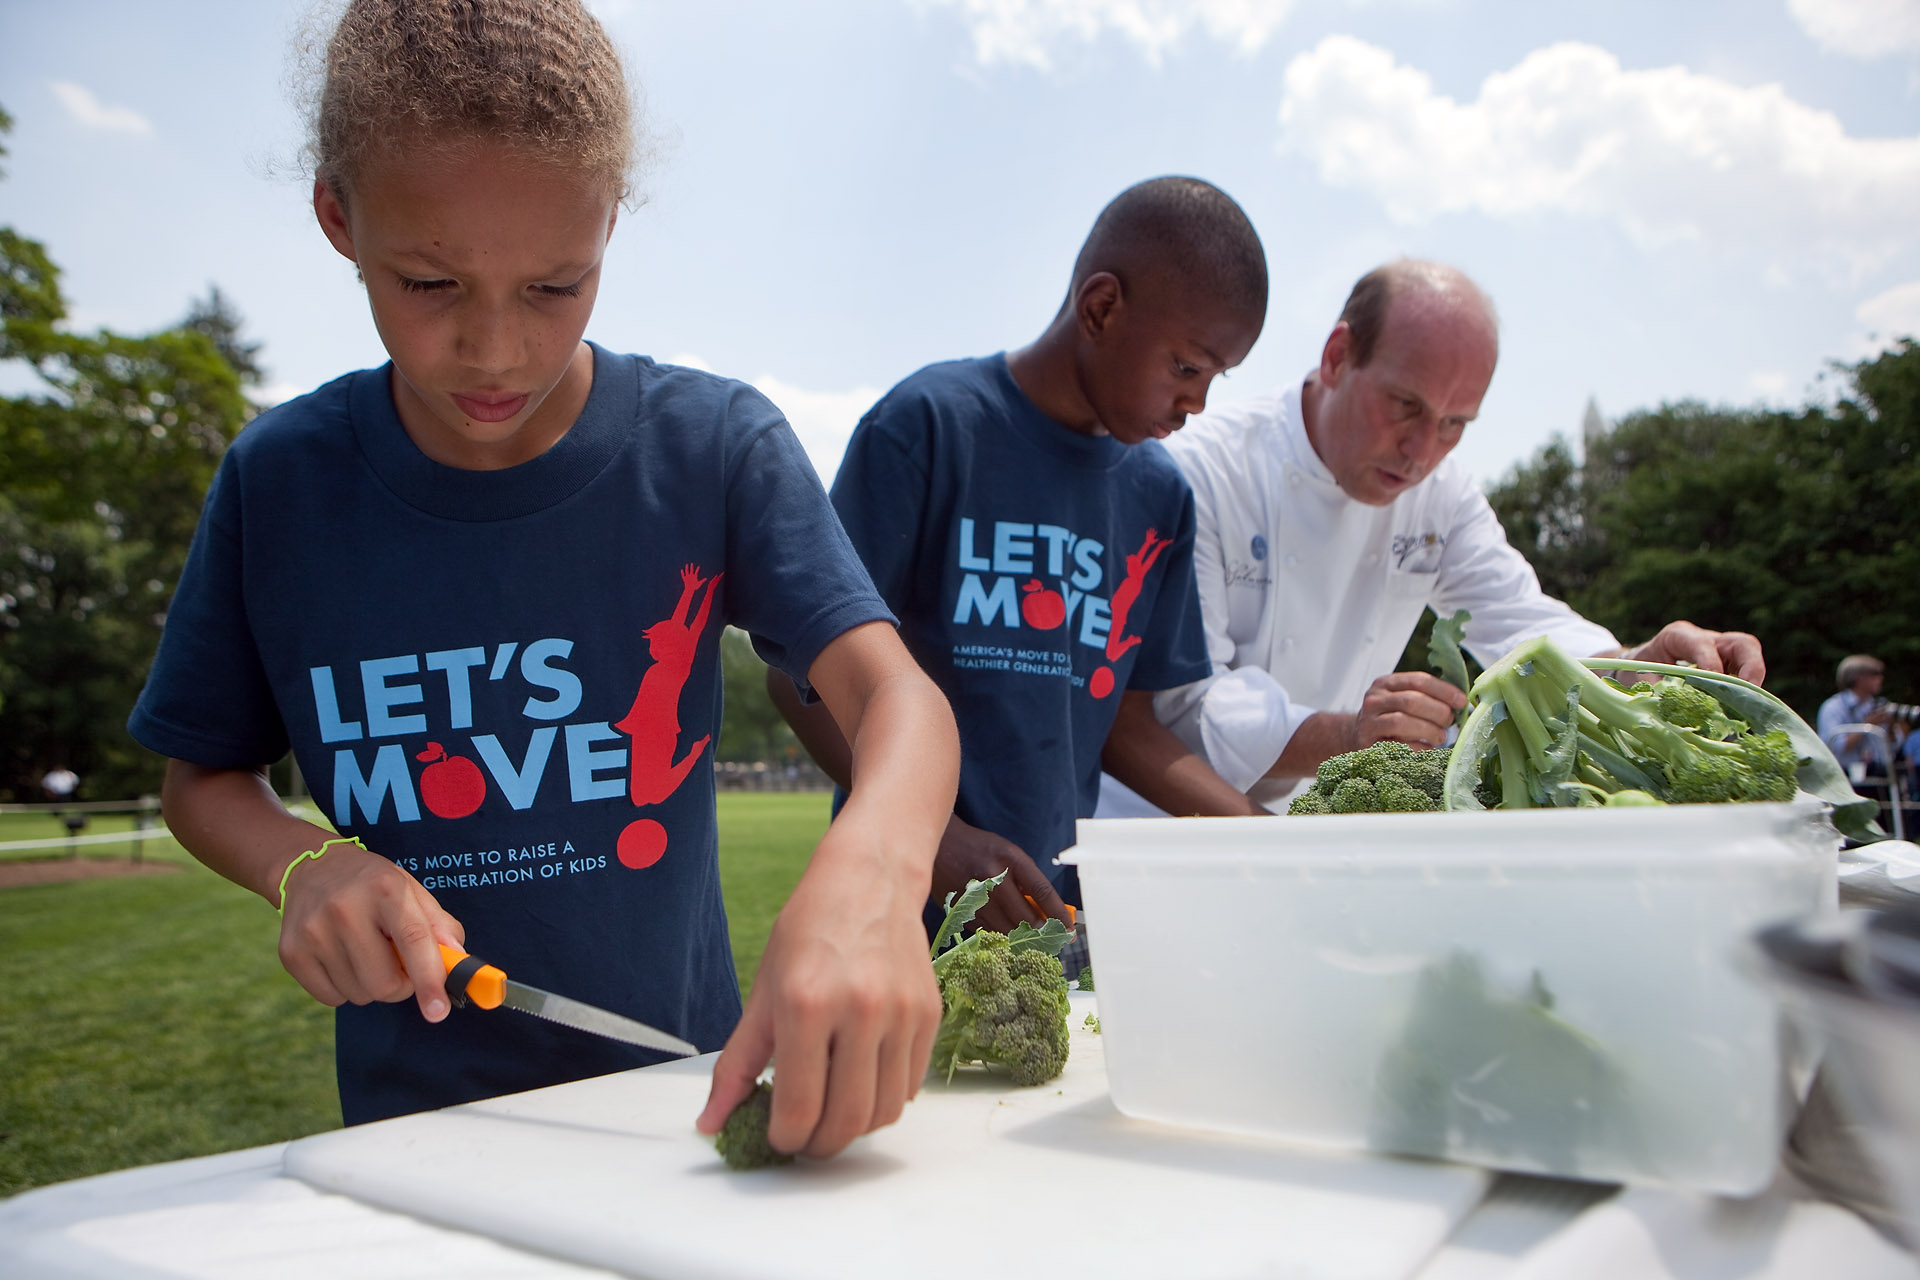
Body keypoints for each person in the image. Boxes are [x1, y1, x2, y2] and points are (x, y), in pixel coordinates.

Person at [127, 0, 960, 1161]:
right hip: (415, 1141)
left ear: (610, 220)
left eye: (555, 286)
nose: (496, 350)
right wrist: (305, 862)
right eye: (428, 284)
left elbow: (894, 696)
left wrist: (876, 867)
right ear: (337, 217)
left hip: (678, 1110)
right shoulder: (280, 483)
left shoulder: (711, 446)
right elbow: (202, 775)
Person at [769, 176, 1270, 939]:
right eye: (1187, 367)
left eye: (1215, 378)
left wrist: (1269, 837)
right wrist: (931, 838)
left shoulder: (1159, 499)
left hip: (1048, 915)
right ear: (1102, 308)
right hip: (895, 909)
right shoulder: (930, 428)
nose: (1197, 403)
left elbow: (1127, 728)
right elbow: (798, 679)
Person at [1101, 259, 1766, 813]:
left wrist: (1642, 665)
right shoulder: (1204, 470)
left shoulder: (1441, 496)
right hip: (1153, 833)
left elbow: (1524, 626)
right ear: (1336, 357)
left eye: (1455, 423)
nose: (1422, 451)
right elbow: (1186, 707)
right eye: (1406, 406)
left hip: (1296, 829)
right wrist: (1353, 734)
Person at [1818, 655, 1895, 782]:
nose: (1881, 679)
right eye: (1874, 675)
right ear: (1859, 679)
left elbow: (1891, 749)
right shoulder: (1833, 707)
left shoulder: (1877, 706)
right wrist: (1867, 726)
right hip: (1844, 776)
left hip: (1877, 774)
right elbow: (1837, 745)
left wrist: (1891, 728)